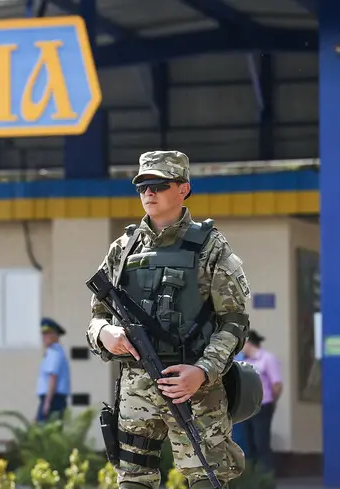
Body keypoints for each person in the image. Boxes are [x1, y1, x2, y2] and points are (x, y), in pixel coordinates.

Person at [86, 150, 251, 489]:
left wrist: (202, 371)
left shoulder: (210, 247)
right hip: (137, 387)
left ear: (183, 189)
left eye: (159, 185)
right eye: (142, 186)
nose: (149, 193)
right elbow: (97, 316)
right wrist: (104, 333)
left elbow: (234, 323)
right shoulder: (123, 248)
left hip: (195, 389)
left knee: (207, 479)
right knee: (133, 480)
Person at [240, 329, 282, 476]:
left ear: (248, 342)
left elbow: (276, 384)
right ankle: (252, 477)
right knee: (247, 443)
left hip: (263, 406)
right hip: (245, 408)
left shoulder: (267, 358)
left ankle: (266, 476)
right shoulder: (243, 361)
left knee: (261, 442)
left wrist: (272, 402)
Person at [36, 317, 71, 422]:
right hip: (54, 398)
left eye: (47, 333)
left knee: (47, 429)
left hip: (52, 399)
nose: (44, 337)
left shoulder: (53, 352)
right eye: (43, 334)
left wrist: (47, 403)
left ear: (55, 335)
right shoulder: (56, 351)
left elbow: (53, 377)